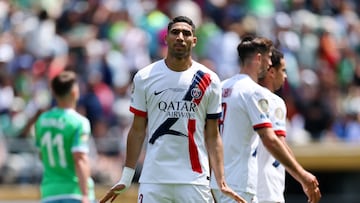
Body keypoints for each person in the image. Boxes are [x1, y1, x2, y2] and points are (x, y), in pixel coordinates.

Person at [99, 16, 245, 203]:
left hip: (195, 181)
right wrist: (126, 177)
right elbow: (137, 130)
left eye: (186, 33)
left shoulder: (210, 80)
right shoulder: (145, 77)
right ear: (166, 38)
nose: (180, 37)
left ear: (194, 41)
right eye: (175, 32)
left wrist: (221, 179)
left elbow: (213, 135)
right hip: (154, 180)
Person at [210, 36, 321, 203]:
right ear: (259, 58)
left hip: (217, 181)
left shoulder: (222, 86)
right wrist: (302, 175)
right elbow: (270, 139)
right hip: (239, 183)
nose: (270, 64)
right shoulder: (254, 92)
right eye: (269, 58)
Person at [35, 70, 95, 203]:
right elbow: (80, 158)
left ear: (54, 93)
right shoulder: (79, 122)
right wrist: (85, 194)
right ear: (75, 92)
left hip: (49, 192)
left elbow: (41, 155)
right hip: (74, 192)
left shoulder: (41, 121)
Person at [256, 48, 288, 203]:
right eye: (283, 70)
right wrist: (302, 174)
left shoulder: (230, 91)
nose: (285, 76)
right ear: (272, 72)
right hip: (267, 188)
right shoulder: (274, 101)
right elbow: (277, 142)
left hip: (238, 185)